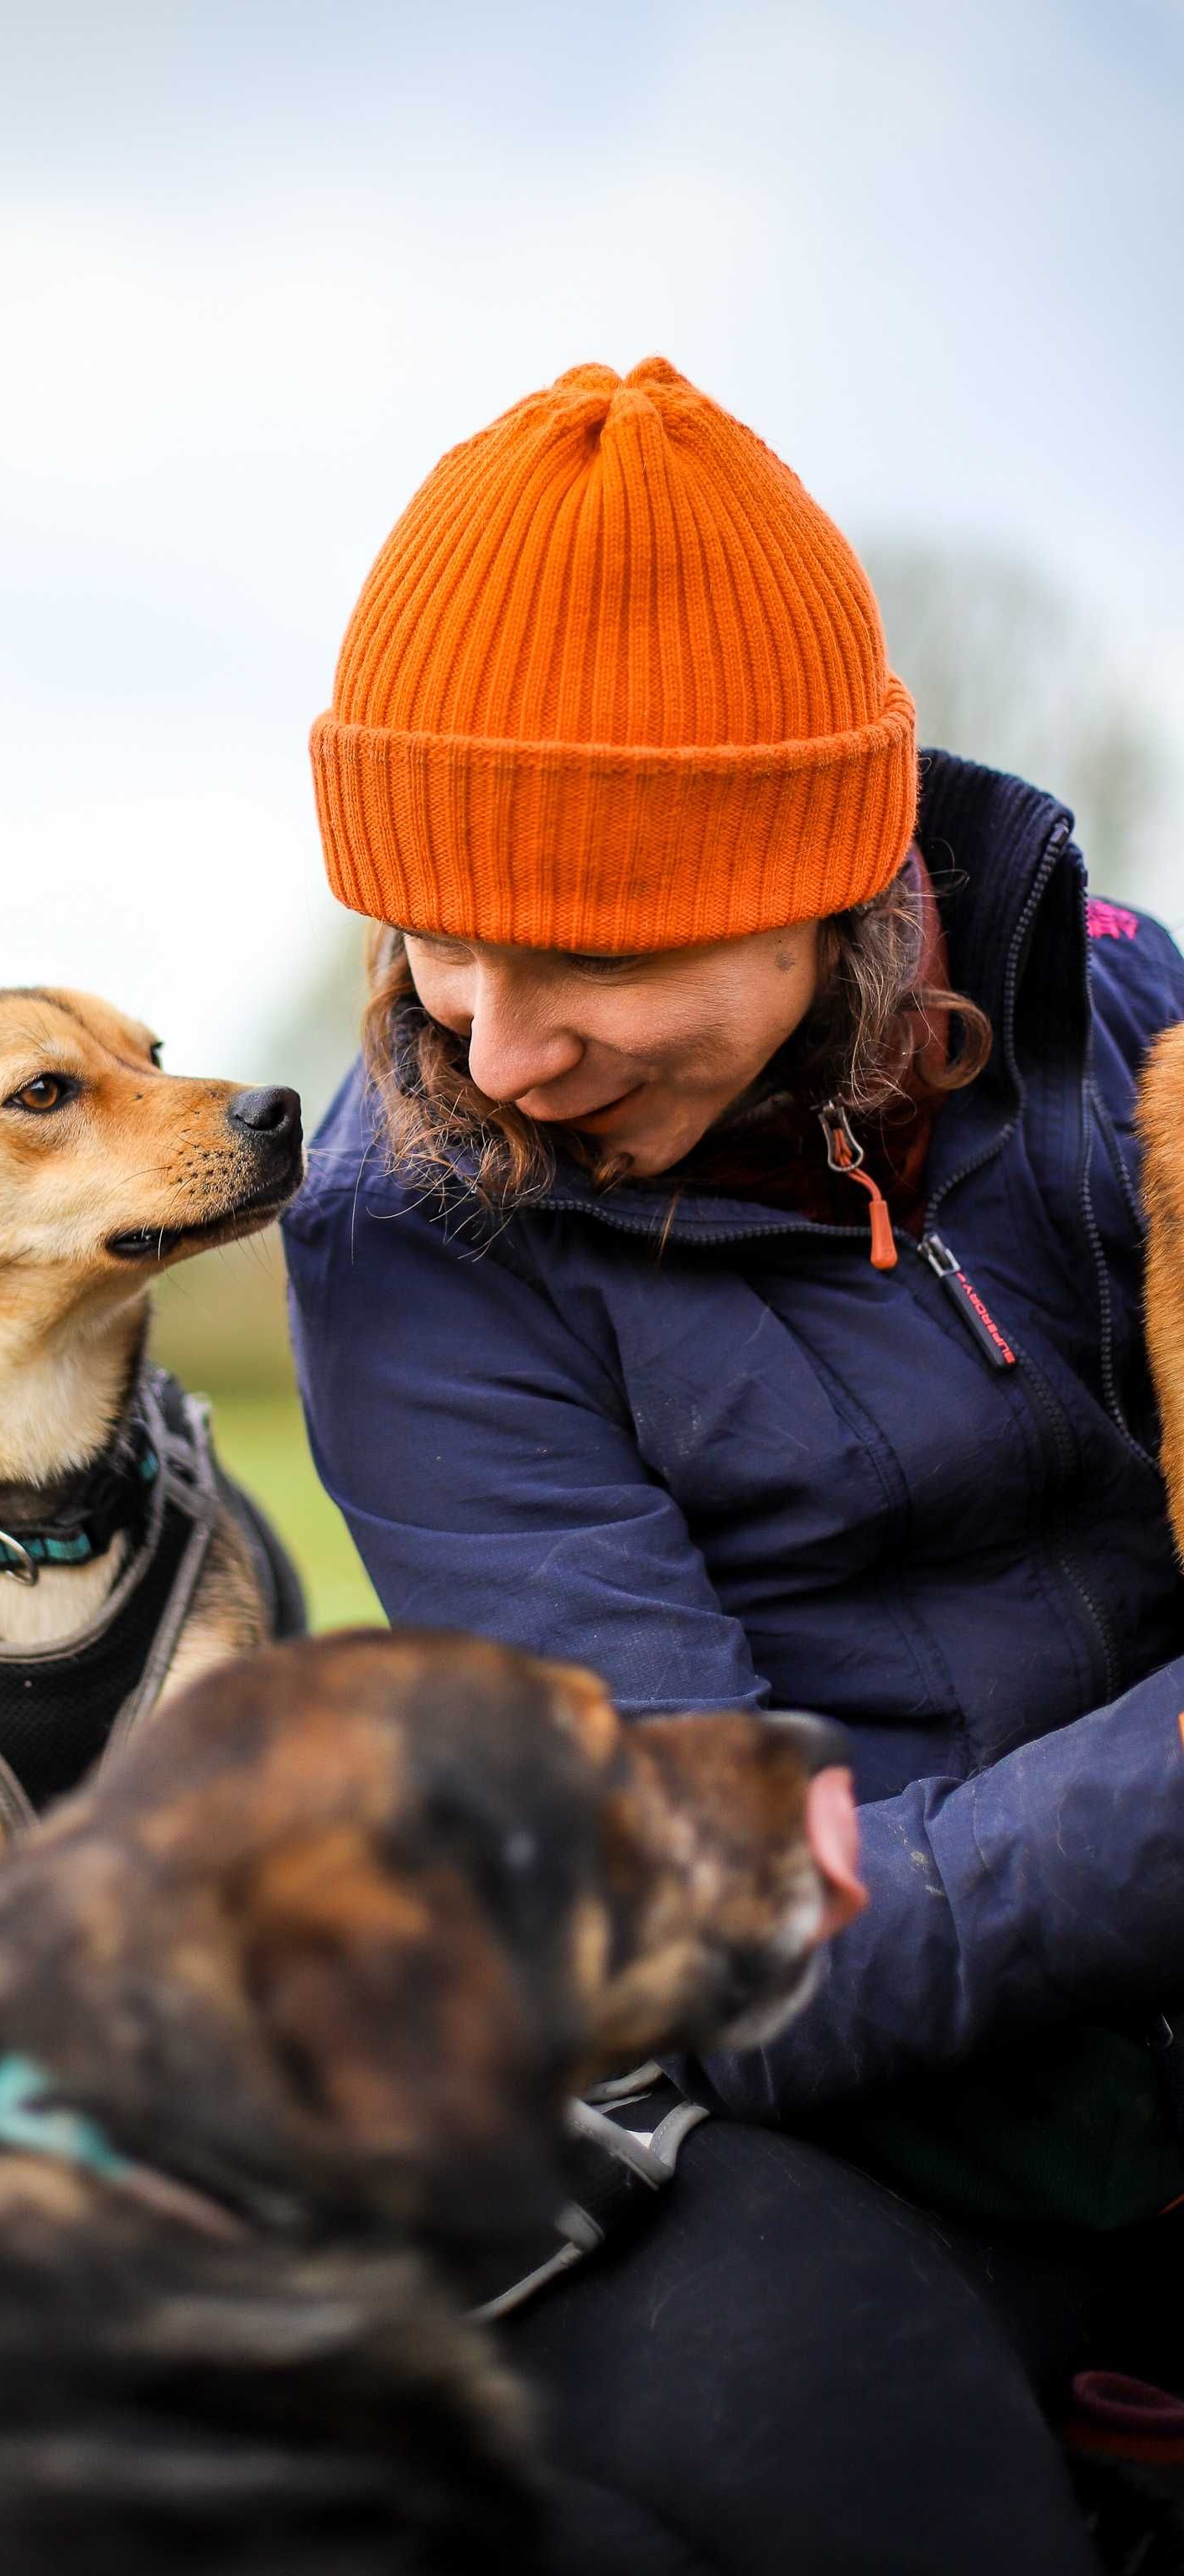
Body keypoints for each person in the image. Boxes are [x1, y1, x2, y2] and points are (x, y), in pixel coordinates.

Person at [283, 359, 1184, 2574]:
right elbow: (729, 1943)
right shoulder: (410, 1242)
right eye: (436, 936)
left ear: (824, 878)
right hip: (819, 2114)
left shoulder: (1127, 1017)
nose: (495, 1042)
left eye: (591, 950)